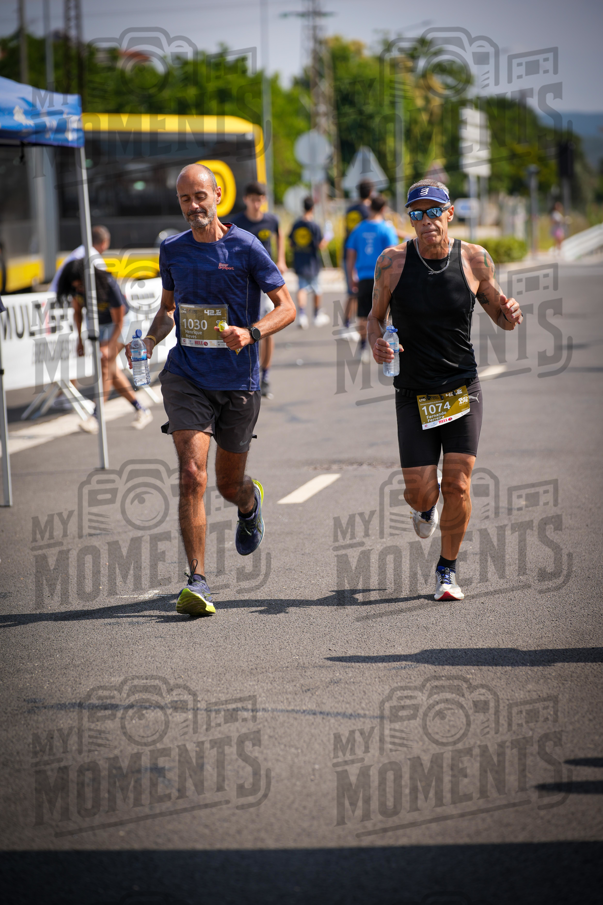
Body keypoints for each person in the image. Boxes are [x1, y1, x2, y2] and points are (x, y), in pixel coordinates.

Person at [126, 163, 296, 617]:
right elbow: (168, 311)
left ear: (217, 195)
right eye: (185, 199)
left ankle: (249, 500)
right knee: (191, 475)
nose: (193, 206)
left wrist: (252, 333)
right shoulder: (173, 251)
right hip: (187, 376)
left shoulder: (246, 246)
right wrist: (149, 339)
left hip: (239, 381)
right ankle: (197, 580)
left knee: (226, 484)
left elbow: (287, 307)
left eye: (200, 196)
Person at [368, 178, 523, 602]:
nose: (426, 221)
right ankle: (422, 506)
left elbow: (501, 314)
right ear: (410, 220)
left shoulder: (475, 259)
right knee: (422, 489)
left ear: (449, 213)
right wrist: (378, 345)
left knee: (457, 485)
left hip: (460, 386)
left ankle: (447, 570)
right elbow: (374, 318)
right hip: (413, 390)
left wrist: (510, 312)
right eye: (416, 214)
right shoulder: (392, 263)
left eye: (433, 211)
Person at [57, 259, 153, 432]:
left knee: (106, 363)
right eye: (75, 287)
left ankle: (95, 416)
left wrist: (109, 345)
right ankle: (141, 409)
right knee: (111, 370)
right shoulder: (76, 290)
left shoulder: (108, 283)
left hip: (121, 324)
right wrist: (79, 339)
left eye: (80, 285)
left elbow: (119, 320)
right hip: (100, 326)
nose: (79, 289)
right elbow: (77, 313)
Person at [230, 181, 287, 399]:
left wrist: (281, 259)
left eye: (261, 200)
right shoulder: (237, 222)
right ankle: (242, 373)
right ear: (246, 200)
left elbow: (279, 234)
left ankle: (265, 374)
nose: (257, 204)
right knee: (242, 325)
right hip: (242, 281)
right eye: (254, 199)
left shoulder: (271, 220)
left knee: (265, 325)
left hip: (266, 281)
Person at [346, 194, 398, 362]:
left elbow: (350, 254)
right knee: (384, 314)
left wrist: (351, 276)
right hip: (382, 278)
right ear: (383, 209)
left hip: (363, 277)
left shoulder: (359, 229)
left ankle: (363, 348)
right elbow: (392, 255)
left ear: (369, 208)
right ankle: (384, 347)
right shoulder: (386, 229)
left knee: (363, 314)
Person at [289, 197, 330, 329]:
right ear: (313, 208)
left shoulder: (296, 224)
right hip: (312, 262)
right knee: (317, 288)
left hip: (300, 260)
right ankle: (317, 314)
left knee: (302, 288)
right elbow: (320, 245)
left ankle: (302, 315)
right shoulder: (314, 225)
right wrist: (329, 236)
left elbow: (291, 243)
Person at [341, 180, 373, 336]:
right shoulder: (367, 211)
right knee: (356, 292)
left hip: (346, 252)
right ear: (371, 192)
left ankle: (347, 324)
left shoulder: (350, 210)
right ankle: (347, 325)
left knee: (351, 291)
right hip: (360, 256)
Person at [50, 225, 111, 293]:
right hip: (65, 297)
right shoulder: (93, 256)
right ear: (104, 243)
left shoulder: (82, 250)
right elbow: (104, 283)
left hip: (57, 295)